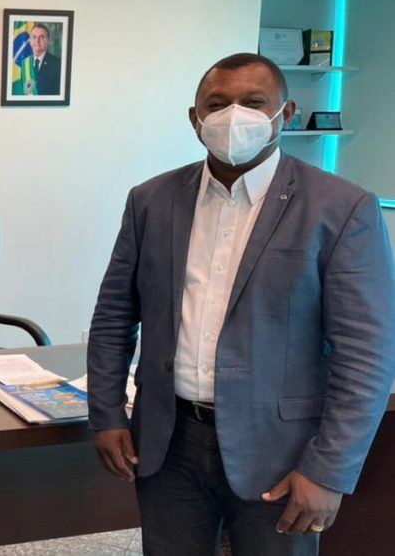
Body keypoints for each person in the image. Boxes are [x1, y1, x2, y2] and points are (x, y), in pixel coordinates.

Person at [87, 52, 395, 555]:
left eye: (254, 103)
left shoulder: (341, 208)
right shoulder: (151, 200)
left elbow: (367, 355)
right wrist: (106, 414)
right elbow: (113, 317)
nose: (234, 116)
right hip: (168, 443)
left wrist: (329, 469)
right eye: (217, 104)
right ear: (195, 119)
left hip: (282, 453)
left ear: (285, 114)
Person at [13, 23, 61, 96]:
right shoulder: (25, 64)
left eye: (41, 37)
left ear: (48, 40)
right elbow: (25, 93)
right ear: (30, 41)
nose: (37, 41)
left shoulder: (57, 64)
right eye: (34, 37)